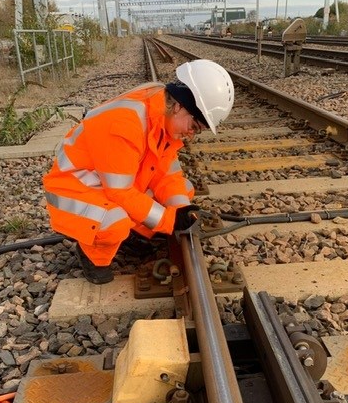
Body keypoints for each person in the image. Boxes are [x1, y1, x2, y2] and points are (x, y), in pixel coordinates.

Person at [42, 59, 234, 284]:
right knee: (114, 222)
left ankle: (130, 235)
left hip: (106, 184)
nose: (191, 135)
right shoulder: (126, 123)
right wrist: (169, 221)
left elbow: (168, 176)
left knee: (184, 190)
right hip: (74, 188)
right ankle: (92, 254)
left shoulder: (162, 120)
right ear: (179, 106)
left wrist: (182, 211)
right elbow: (120, 193)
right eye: (193, 127)